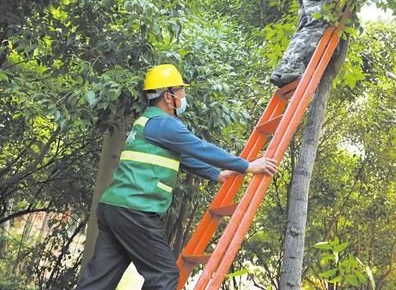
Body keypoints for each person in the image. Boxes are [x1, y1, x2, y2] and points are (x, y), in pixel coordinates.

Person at [77, 64, 278, 290]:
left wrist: (216, 173)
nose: (184, 96)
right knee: (164, 275)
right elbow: (199, 148)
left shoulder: (146, 121)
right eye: (181, 91)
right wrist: (247, 166)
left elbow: (181, 157)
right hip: (136, 209)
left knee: (99, 280)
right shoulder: (165, 124)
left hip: (114, 207)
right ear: (168, 96)